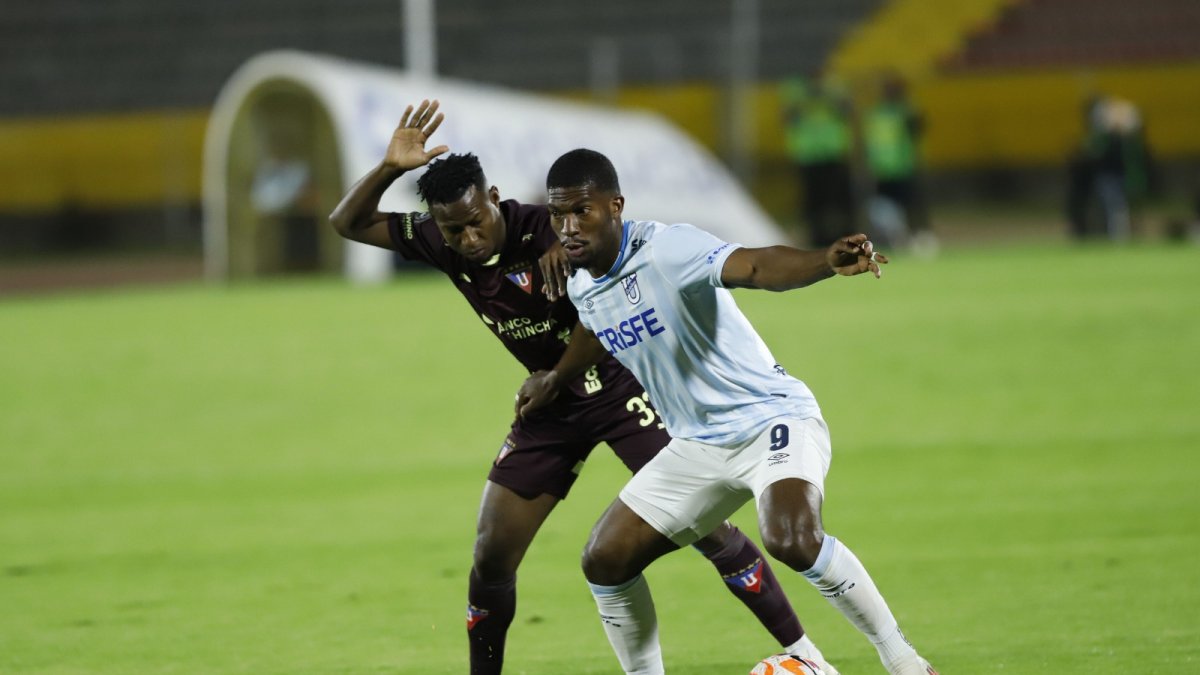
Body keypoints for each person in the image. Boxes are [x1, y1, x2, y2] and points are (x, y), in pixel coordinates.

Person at [327, 101, 833, 674]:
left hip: (620, 390)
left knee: (709, 532)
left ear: (494, 198)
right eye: (454, 230)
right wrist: (390, 168)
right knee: (492, 551)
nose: (468, 237)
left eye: (477, 220)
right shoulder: (440, 240)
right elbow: (346, 223)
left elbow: (609, 269)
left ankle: (804, 654)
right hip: (548, 405)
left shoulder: (557, 224)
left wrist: (562, 253)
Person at [517, 148, 938, 675]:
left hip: (770, 419)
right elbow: (596, 323)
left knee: (790, 537)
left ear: (615, 205)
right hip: (698, 446)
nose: (569, 226)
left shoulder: (669, 249)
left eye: (583, 211)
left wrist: (821, 263)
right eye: (559, 215)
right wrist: (558, 376)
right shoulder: (580, 280)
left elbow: (756, 266)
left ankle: (905, 662)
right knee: (604, 559)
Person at [781, 75, 858, 248]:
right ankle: (817, 240)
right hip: (808, 155)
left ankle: (848, 238)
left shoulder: (835, 87)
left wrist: (829, 97)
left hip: (833, 153)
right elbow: (787, 117)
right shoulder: (796, 91)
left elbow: (848, 111)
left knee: (840, 201)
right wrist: (804, 100)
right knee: (813, 202)